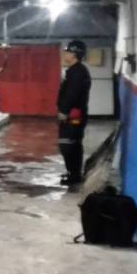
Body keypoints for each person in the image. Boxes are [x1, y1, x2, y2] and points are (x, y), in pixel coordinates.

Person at [58, 39, 92, 187]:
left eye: (68, 52)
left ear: (74, 54)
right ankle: (73, 172)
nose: (65, 54)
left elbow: (72, 94)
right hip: (74, 112)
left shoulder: (77, 72)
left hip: (73, 114)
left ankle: (74, 175)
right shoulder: (76, 70)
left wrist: (64, 111)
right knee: (73, 143)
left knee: (68, 144)